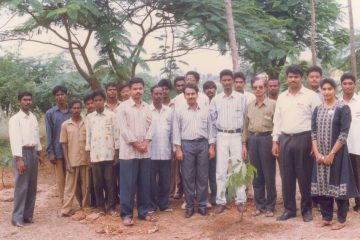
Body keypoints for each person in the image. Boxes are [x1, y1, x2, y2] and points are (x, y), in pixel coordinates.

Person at [272, 64, 321, 222]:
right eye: (290, 77)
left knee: (304, 175)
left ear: (302, 78)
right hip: (285, 139)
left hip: (304, 139)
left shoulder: (310, 96)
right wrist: (275, 141)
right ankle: (289, 209)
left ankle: (306, 210)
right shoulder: (282, 97)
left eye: (296, 77)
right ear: (287, 79)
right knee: (286, 176)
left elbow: (317, 122)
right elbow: (277, 121)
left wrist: (315, 144)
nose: (293, 80)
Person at [311, 78, 359, 230]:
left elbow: (344, 134)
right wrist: (317, 153)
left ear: (335, 90)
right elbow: (313, 132)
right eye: (323, 89)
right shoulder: (318, 109)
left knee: (338, 186)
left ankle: (342, 219)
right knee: (323, 185)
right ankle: (326, 217)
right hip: (320, 154)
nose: (326, 92)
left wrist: (331, 153)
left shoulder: (343, 108)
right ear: (320, 90)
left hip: (337, 153)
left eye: (329, 89)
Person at [117, 77, 155, 226]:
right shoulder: (123, 107)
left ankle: (144, 212)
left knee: (145, 183)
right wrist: (136, 143)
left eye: (140, 88)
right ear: (130, 90)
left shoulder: (147, 107)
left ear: (143, 89)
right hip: (129, 152)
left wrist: (145, 142)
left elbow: (152, 126)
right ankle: (126, 215)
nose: (138, 91)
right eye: (135, 89)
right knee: (128, 185)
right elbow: (123, 128)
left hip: (145, 152)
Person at [209, 69, 247, 214]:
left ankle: (241, 200)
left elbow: (245, 120)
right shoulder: (216, 100)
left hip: (237, 135)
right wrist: (212, 144)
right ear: (220, 82)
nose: (226, 83)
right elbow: (212, 123)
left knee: (238, 168)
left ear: (233, 80)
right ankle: (221, 201)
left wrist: (244, 143)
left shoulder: (241, 98)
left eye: (229, 80)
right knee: (221, 170)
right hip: (221, 136)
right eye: (223, 80)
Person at [173, 83, 213, 218]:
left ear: (197, 94)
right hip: (186, 145)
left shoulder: (206, 109)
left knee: (202, 176)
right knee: (188, 177)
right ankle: (189, 206)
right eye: (188, 94)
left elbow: (211, 129)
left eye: (192, 94)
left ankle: (202, 205)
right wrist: (178, 149)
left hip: (203, 144)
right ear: (184, 96)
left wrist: (211, 146)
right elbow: (176, 131)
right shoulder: (179, 110)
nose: (190, 96)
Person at [242, 77, 276, 217]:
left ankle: (270, 206)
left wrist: (275, 142)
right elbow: (245, 127)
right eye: (255, 87)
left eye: (260, 87)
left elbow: (277, 124)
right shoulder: (250, 105)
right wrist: (244, 144)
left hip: (267, 139)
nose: (258, 90)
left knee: (269, 174)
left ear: (266, 88)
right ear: (252, 89)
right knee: (256, 174)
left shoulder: (273, 104)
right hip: (253, 140)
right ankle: (259, 205)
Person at [9, 91, 42, 227]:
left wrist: (39, 153)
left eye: (29, 99)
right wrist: (19, 159)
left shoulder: (33, 117)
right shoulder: (15, 119)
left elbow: (36, 136)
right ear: (19, 102)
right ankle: (17, 217)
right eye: (24, 100)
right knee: (21, 186)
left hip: (32, 152)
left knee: (32, 186)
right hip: (21, 153)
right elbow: (15, 139)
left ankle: (28, 215)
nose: (27, 102)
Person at [85, 90, 119, 214]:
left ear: (104, 101)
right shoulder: (89, 118)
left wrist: (117, 153)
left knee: (110, 182)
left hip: (109, 155)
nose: (98, 103)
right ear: (93, 103)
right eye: (95, 101)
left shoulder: (112, 116)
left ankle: (111, 206)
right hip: (95, 156)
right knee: (97, 183)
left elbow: (116, 135)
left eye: (100, 100)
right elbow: (88, 137)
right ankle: (100, 207)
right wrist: (88, 155)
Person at [60, 100, 89, 217]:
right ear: (70, 109)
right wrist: (67, 161)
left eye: (78, 108)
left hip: (86, 159)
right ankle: (66, 209)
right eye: (74, 108)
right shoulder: (65, 125)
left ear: (81, 109)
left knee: (86, 186)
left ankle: (85, 207)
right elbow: (64, 144)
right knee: (69, 186)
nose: (76, 110)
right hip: (72, 160)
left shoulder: (87, 122)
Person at [149, 85, 173, 212]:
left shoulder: (169, 111)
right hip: (150, 153)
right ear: (151, 95)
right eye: (156, 94)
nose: (158, 96)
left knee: (165, 181)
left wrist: (174, 149)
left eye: (160, 94)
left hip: (165, 152)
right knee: (151, 182)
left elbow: (173, 132)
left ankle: (163, 205)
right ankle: (152, 205)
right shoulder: (147, 110)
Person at [45, 85, 70, 203]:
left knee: (72, 176)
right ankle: (63, 201)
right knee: (61, 178)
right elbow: (49, 133)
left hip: (72, 150)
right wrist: (50, 152)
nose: (60, 97)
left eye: (62, 94)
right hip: (57, 150)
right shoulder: (50, 113)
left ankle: (74, 201)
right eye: (58, 95)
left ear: (67, 95)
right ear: (55, 97)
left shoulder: (73, 111)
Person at [339, 72, 360, 213]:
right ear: (341, 86)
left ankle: (359, 204)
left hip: (357, 145)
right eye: (345, 83)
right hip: (341, 146)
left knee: (358, 175)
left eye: (350, 83)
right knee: (342, 176)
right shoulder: (337, 103)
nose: (347, 86)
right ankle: (343, 204)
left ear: (355, 85)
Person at [104, 82, 121, 207]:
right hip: (107, 146)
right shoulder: (101, 106)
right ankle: (112, 199)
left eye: (114, 89)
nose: (112, 92)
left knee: (122, 174)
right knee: (110, 176)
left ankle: (121, 198)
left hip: (124, 144)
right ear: (106, 91)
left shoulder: (123, 105)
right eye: (110, 89)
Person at [203, 80, 217, 206]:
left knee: (214, 170)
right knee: (203, 171)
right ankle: (203, 197)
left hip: (217, 141)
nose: (209, 90)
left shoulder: (219, 101)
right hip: (202, 142)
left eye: (212, 88)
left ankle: (216, 196)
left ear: (215, 89)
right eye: (207, 88)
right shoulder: (201, 103)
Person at [83, 92, 96, 209]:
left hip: (103, 153)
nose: (91, 105)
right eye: (88, 104)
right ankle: (94, 202)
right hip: (90, 152)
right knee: (92, 179)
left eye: (92, 103)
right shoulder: (85, 118)